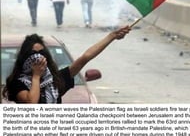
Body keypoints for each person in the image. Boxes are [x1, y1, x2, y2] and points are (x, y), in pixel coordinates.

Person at [2, 26, 131, 103]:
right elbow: (31, 103)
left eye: (42, 53)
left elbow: (85, 58)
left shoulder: (55, 81)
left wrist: (111, 36)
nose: (38, 57)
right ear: (25, 57)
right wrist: (36, 77)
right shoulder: (17, 83)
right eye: (33, 54)